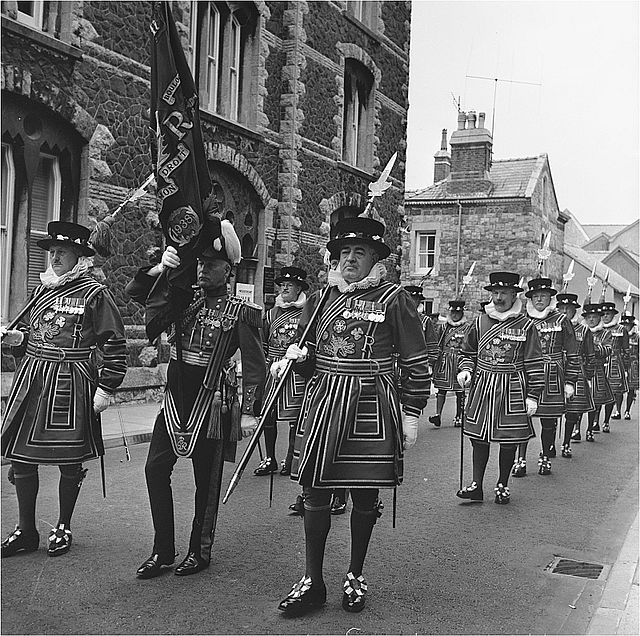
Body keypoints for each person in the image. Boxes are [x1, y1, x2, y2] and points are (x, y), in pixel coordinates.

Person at [273, 215, 430, 616]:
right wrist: (296, 359)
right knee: (314, 491)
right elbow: (308, 348)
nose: (349, 259)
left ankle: (355, 574)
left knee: (364, 492)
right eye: (344, 251)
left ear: (376, 258)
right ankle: (313, 580)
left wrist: (411, 412)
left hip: (369, 404)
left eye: (359, 252)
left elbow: (416, 362)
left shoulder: (395, 299)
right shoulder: (324, 296)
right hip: (323, 399)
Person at [126, 219, 265, 579]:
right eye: (199, 263)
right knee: (155, 469)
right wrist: (162, 267)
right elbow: (136, 293)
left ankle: (199, 550)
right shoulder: (181, 300)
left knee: (206, 480)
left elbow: (254, 366)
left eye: (211, 265)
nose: (202, 270)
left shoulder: (240, 313)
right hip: (176, 399)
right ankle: (163, 549)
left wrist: (249, 412)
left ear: (228, 270)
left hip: (212, 400)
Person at [1, 221, 127, 558]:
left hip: (69, 382)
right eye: (52, 252)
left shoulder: (95, 294)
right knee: (21, 459)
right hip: (31, 381)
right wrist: (15, 340)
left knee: (68, 462)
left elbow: (114, 344)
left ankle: (63, 525)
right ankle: (26, 530)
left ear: (78, 256)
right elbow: (28, 332)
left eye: (62, 252)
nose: (54, 257)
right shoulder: (41, 291)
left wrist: (106, 389)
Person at [456, 272, 544, 505]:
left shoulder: (526, 325)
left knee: (509, 439)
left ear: (514, 294)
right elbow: (467, 352)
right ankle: (476, 485)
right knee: (479, 437)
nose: (497, 297)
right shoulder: (479, 322)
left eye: (503, 293)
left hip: (512, 387)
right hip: (482, 386)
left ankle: (503, 484)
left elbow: (534, 361)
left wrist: (533, 395)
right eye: (495, 292)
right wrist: (465, 370)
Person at [511, 278, 580, 477]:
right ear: (530, 298)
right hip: (527, 374)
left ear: (550, 297)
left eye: (543, 296)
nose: (539, 299)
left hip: (552, 377)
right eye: (535, 296)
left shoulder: (561, 320)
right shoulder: (522, 319)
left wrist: (570, 381)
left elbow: (573, 352)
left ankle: (545, 457)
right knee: (522, 419)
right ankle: (520, 460)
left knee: (548, 422)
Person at [254, 266, 309, 478]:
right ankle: (269, 458)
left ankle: (290, 456)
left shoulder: (306, 312)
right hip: (273, 367)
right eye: (282, 285)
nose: (285, 289)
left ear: (298, 289)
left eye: (290, 285)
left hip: (295, 369)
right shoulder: (270, 314)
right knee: (268, 414)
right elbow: (263, 342)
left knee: (295, 416)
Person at [555, 293, 595, 457]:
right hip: (556, 371)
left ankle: (566, 443)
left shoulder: (583, 330)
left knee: (572, 411)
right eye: (562, 308)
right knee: (551, 413)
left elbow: (590, 355)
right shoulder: (554, 326)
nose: (565, 312)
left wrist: (589, 376)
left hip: (576, 372)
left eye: (568, 309)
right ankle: (549, 446)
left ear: (574, 311)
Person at [430, 299, 471, 428]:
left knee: (459, 389)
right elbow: (437, 343)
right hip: (444, 360)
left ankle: (459, 416)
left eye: (457, 313)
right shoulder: (443, 327)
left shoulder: (467, 328)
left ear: (461, 313)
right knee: (441, 388)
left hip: (459, 360)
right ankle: (438, 415)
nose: (454, 315)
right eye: (452, 312)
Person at [580, 302, 615, 442]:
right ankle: (576, 428)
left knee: (594, 401)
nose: (591, 320)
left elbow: (608, 350)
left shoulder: (606, 333)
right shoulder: (580, 331)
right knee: (578, 401)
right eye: (588, 317)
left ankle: (590, 428)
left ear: (599, 318)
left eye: (594, 317)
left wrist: (592, 348)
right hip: (581, 369)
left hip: (596, 370)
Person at [599, 301, 629, 428]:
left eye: (608, 314)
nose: (605, 316)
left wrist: (626, 368)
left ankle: (606, 421)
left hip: (615, 365)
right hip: (599, 364)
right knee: (597, 393)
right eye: (603, 314)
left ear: (613, 315)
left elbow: (626, 351)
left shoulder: (621, 329)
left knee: (612, 393)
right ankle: (594, 421)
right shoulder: (597, 329)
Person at [621, 313, 638, 418]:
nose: (626, 327)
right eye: (624, 325)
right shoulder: (619, 335)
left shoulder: (637, 337)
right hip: (621, 362)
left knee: (631, 388)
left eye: (628, 325)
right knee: (618, 388)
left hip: (633, 364)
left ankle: (627, 410)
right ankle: (617, 410)